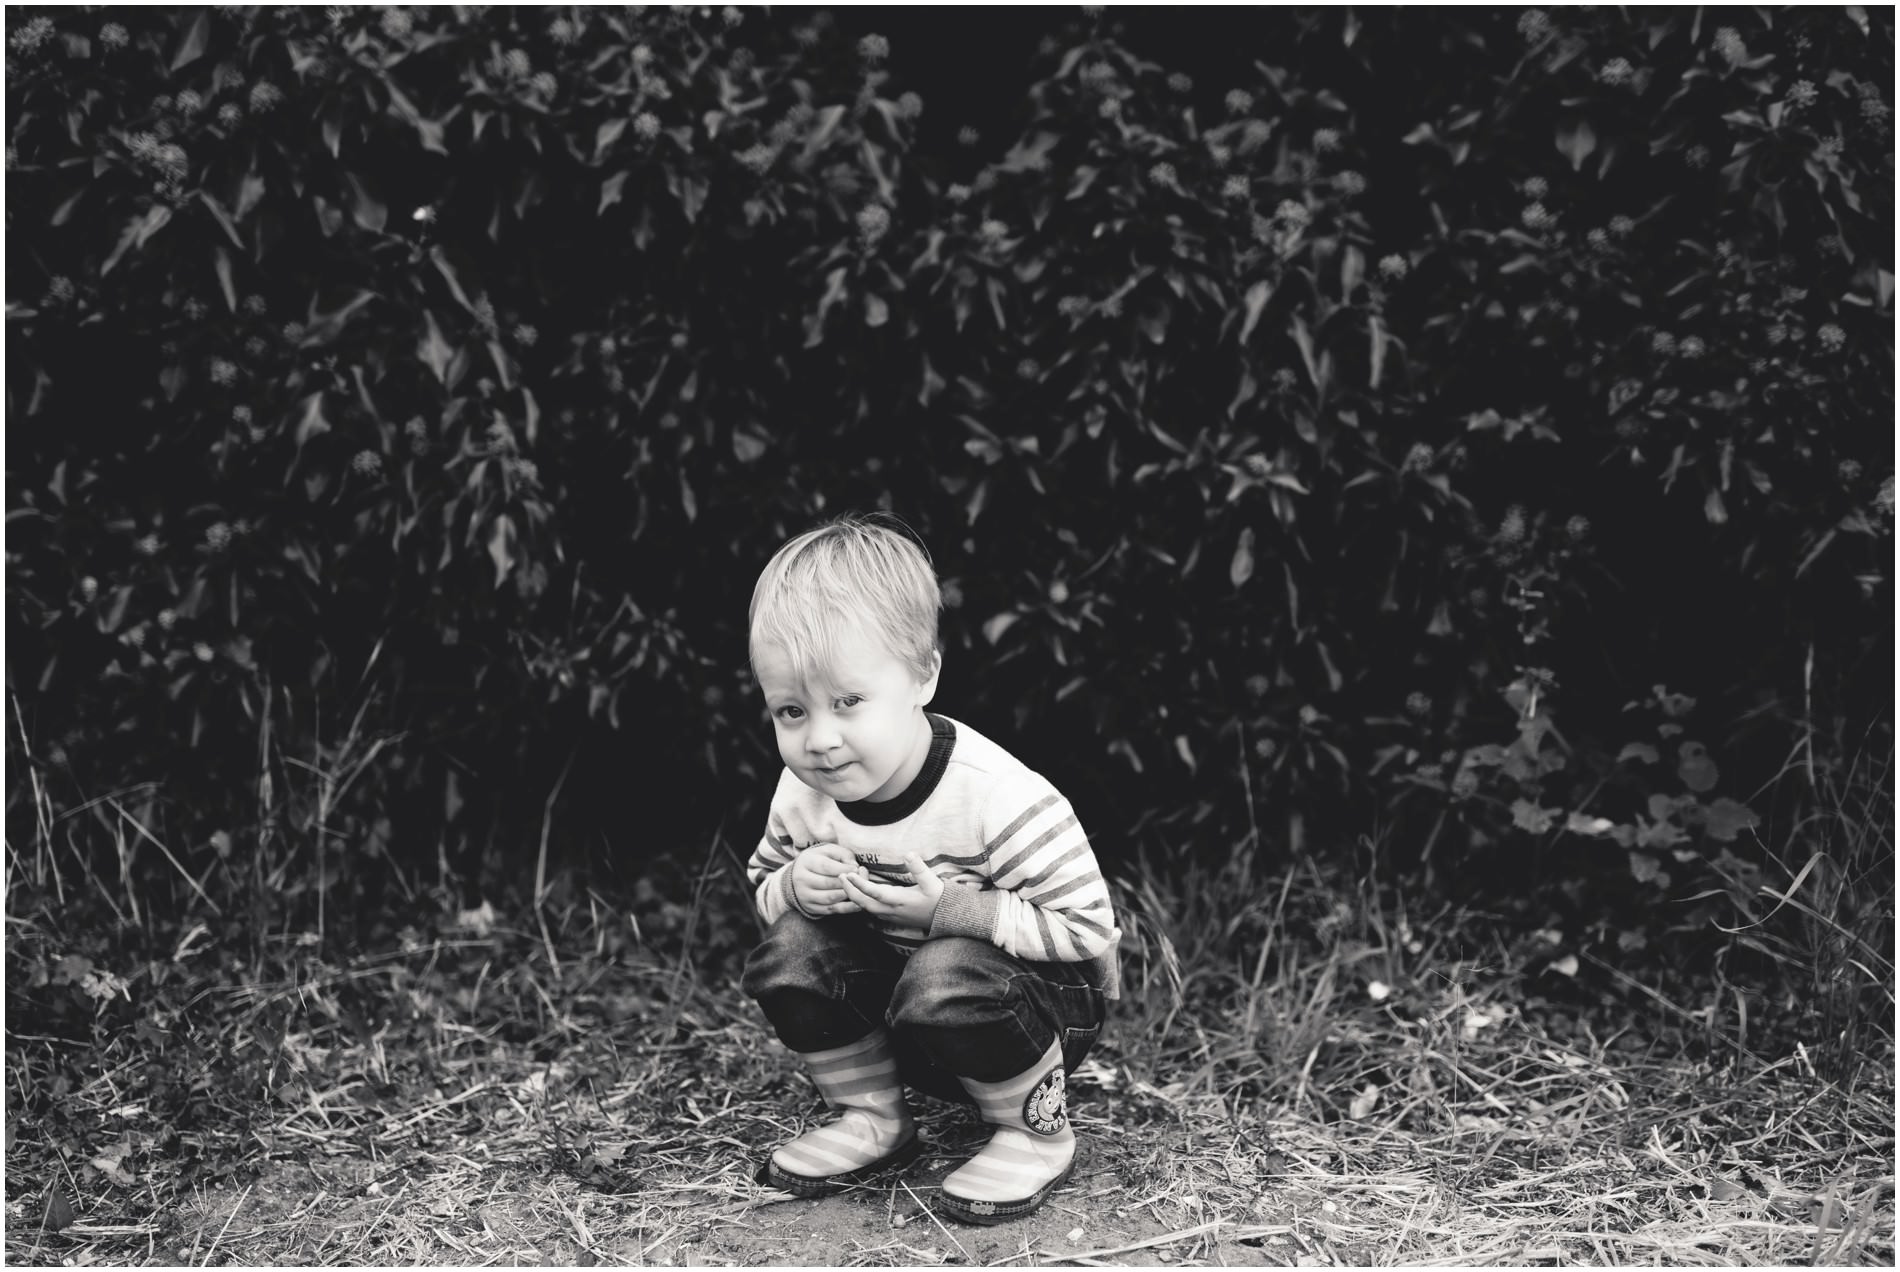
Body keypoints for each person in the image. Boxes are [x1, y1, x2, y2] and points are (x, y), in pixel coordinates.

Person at [740, 514, 1120, 1225]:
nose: (820, 740)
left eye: (848, 702)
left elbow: (1088, 931)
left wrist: (948, 910)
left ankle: (1035, 1133)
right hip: (907, 1016)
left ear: (924, 676)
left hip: (1035, 1013)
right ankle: (873, 1117)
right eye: (791, 711)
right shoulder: (804, 792)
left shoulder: (994, 796)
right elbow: (764, 888)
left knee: (945, 969)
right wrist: (794, 887)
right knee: (790, 949)